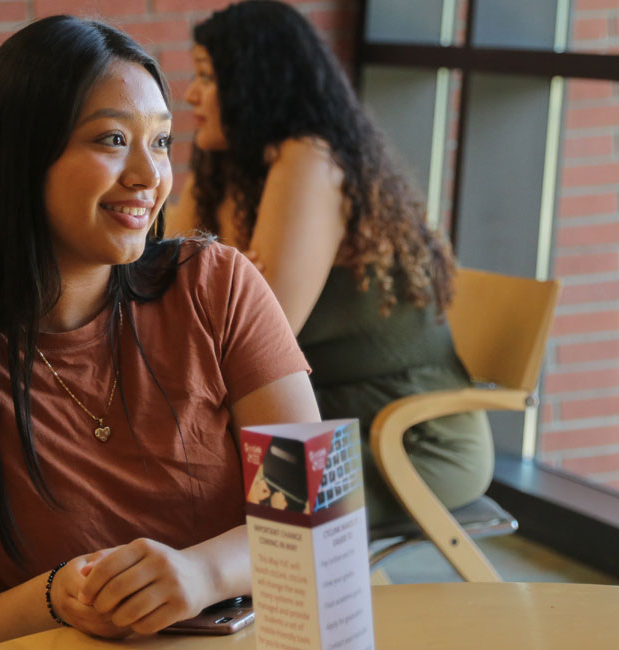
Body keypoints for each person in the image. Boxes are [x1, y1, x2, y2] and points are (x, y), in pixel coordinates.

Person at [0, 15, 320, 649]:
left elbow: (319, 514)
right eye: (112, 139)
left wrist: (202, 573)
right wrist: (54, 596)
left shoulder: (217, 285)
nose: (150, 177)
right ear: (21, 155)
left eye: (161, 141)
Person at [165, 0, 493, 526]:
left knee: (197, 489)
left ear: (257, 82)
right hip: (311, 425)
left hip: (407, 442)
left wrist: (214, 297)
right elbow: (168, 283)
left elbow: (258, 336)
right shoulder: (229, 169)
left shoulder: (309, 159)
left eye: (207, 76)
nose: (190, 93)